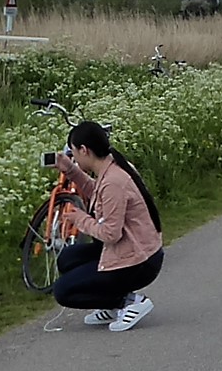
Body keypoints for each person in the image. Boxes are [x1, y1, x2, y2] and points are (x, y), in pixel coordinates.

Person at [50, 119, 165, 331]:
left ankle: (128, 302)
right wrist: (70, 170)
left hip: (138, 261)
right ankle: (112, 301)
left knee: (63, 291)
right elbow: (97, 192)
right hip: (132, 250)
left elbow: (111, 234)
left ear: (84, 150)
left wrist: (81, 220)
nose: (73, 157)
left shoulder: (114, 181)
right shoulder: (114, 167)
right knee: (67, 258)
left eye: (73, 152)